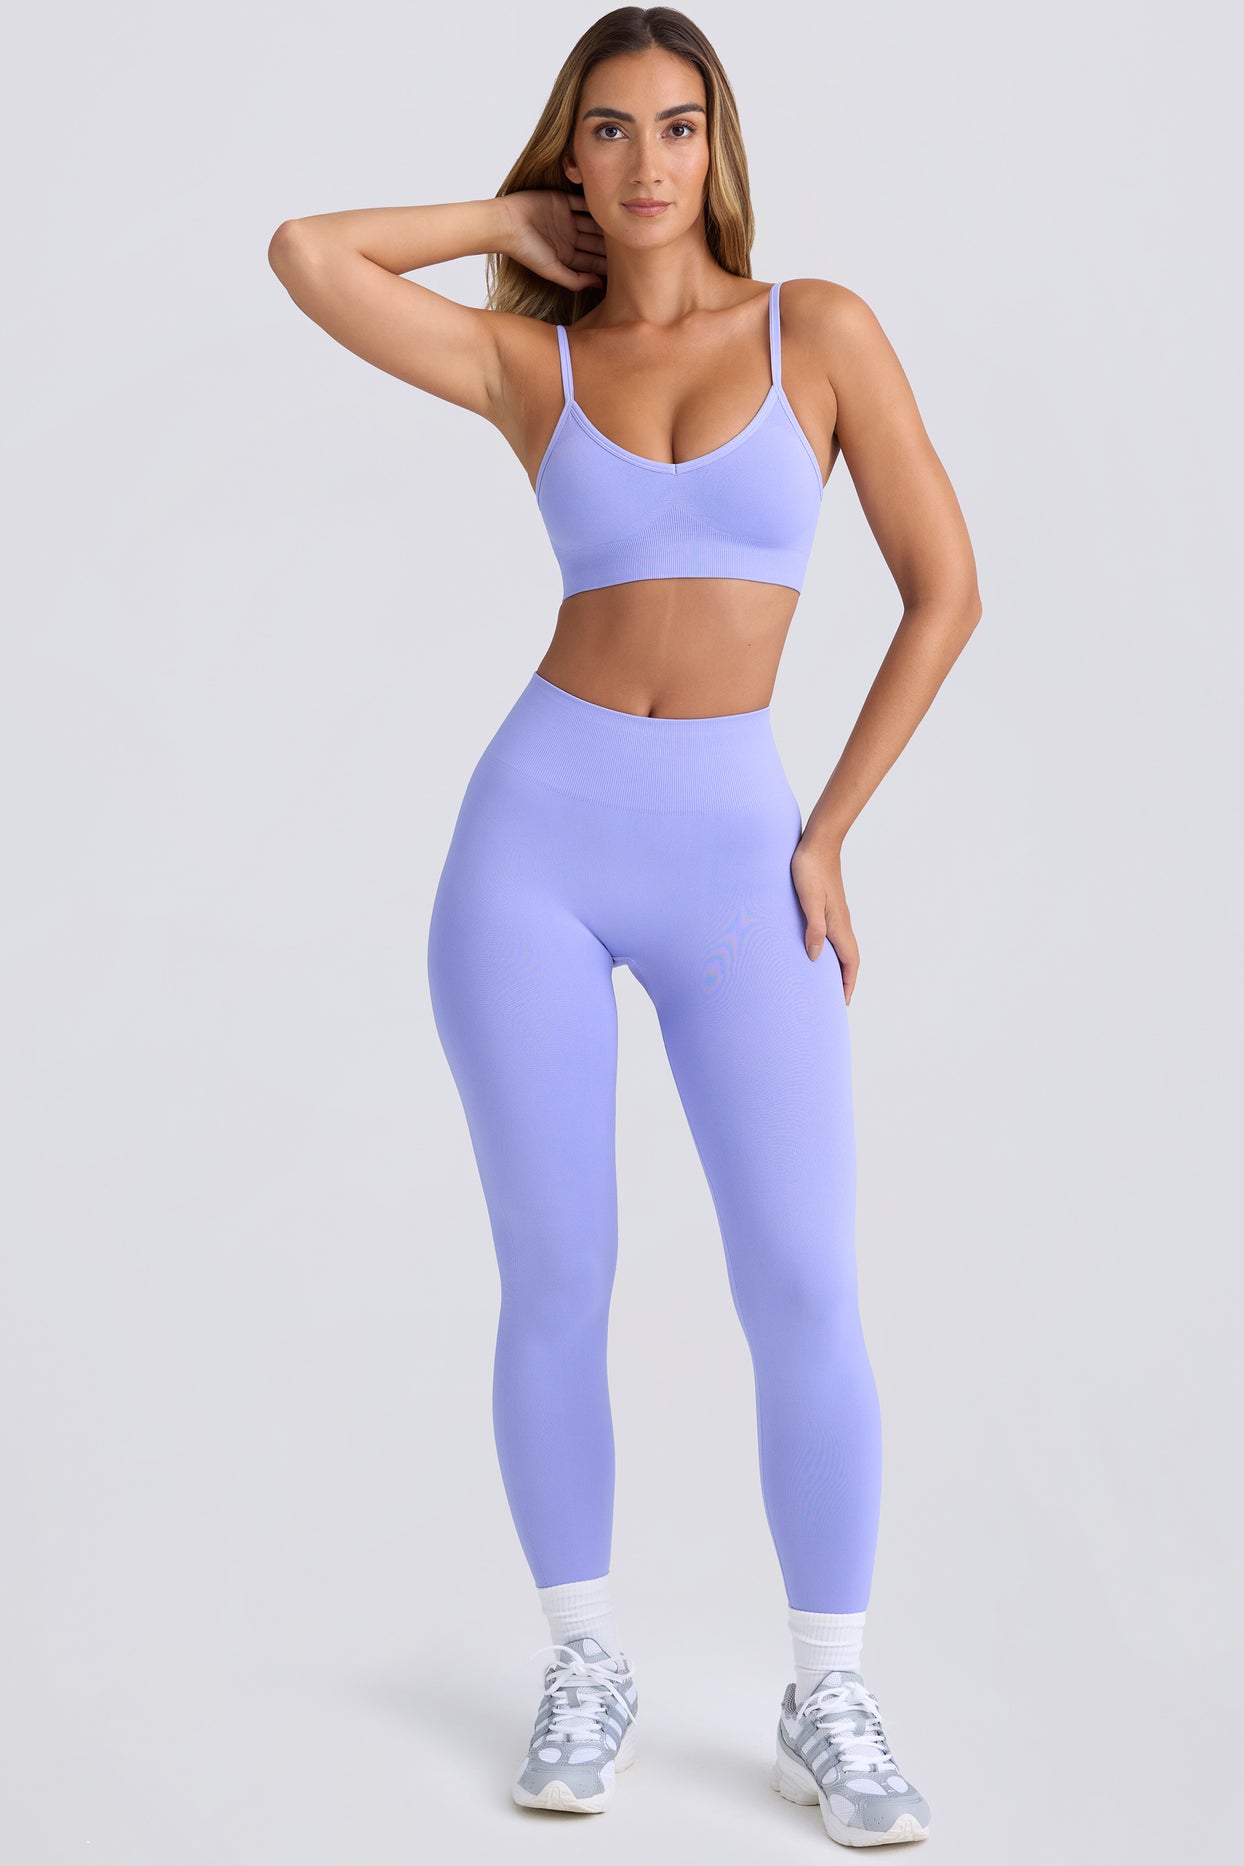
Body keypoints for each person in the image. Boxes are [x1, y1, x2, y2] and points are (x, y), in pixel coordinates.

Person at [268, 5, 980, 1847]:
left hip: (741, 851)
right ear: (570, 154)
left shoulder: (817, 329)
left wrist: (830, 828)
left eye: (676, 124)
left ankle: (831, 1691)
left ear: (716, 145)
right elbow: (308, 255)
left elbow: (946, 590)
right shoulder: (539, 364)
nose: (647, 161)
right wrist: (502, 227)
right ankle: (585, 1660)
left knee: (802, 1279)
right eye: (607, 129)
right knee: (557, 1273)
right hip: (534, 844)